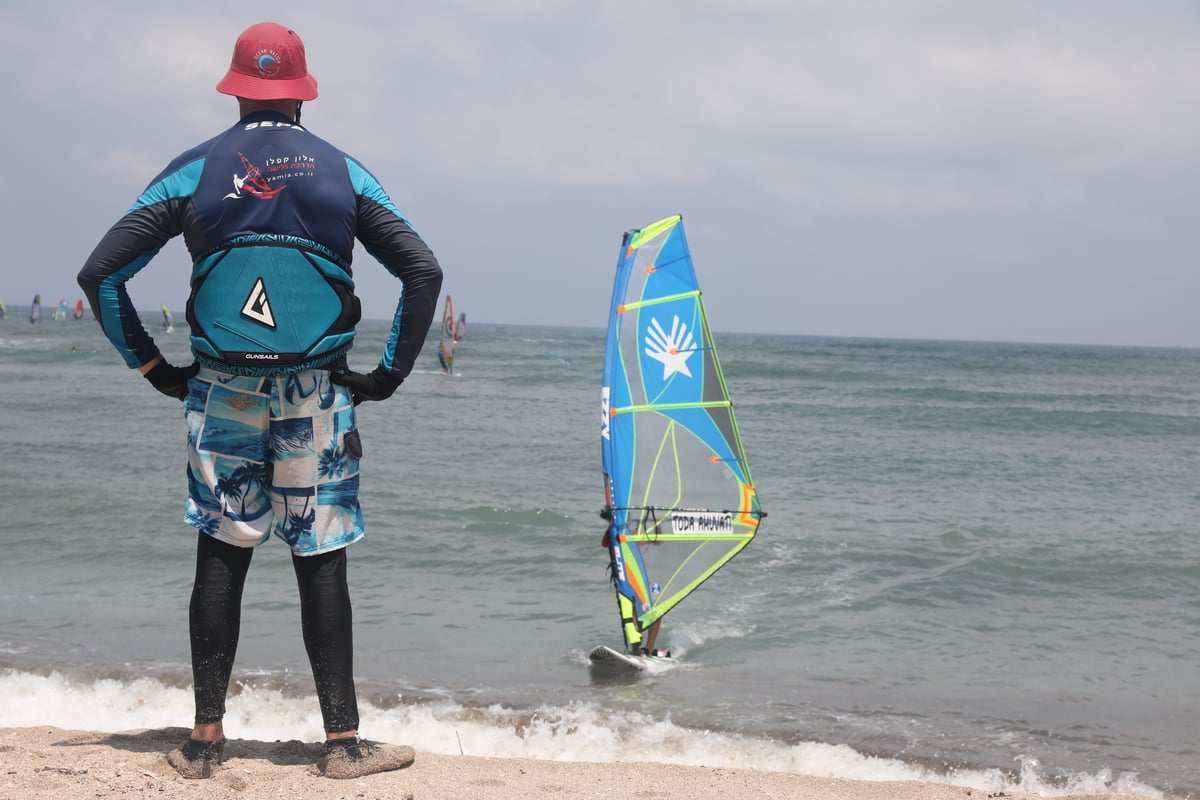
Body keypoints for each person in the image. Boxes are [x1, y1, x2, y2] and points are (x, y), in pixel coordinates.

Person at [77, 22, 443, 780]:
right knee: (321, 559)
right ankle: (341, 745)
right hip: (317, 392)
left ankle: (205, 742)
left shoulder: (195, 171)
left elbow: (102, 276)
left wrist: (155, 367)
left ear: (239, 89)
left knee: (222, 554)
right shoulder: (344, 173)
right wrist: (387, 376)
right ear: (303, 93)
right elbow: (421, 271)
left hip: (221, 389)